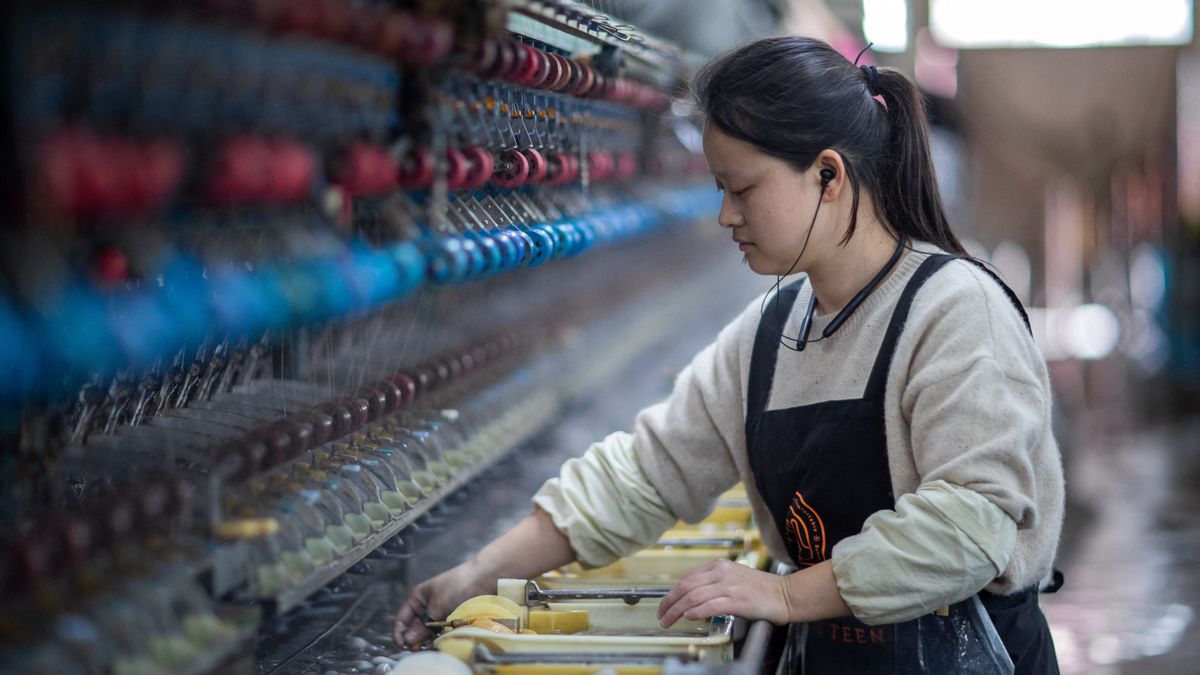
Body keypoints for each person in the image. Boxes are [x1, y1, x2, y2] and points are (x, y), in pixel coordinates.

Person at [394, 35, 1064, 674]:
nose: (725, 215)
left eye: (741, 189)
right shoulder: (770, 332)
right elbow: (643, 474)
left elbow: (969, 529)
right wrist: (481, 571)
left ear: (827, 175)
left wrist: (782, 595)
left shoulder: (953, 311)